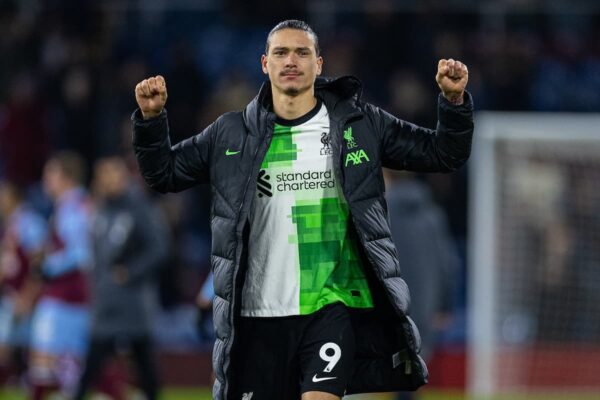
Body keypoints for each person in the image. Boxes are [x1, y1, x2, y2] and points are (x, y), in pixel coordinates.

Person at [132, 19, 473, 400]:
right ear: (265, 64)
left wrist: (453, 102)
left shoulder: (360, 125)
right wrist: (151, 121)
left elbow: (443, 153)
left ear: (319, 64)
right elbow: (163, 174)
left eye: (301, 52)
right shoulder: (230, 134)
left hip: (331, 305)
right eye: (280, 52)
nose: (290, 60)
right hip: (257, 315)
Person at [72, 156, 168, 400]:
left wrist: (131, 272)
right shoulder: (100, 209)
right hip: (106, 300)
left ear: (124, 176)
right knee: (92, 362)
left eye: (112, 174)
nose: (108, 180)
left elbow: (159, 248)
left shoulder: (140, 207)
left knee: (144, 362)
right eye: (103, 175)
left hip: (134, 300)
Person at [383, 172, 460, 400]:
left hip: (389, 308)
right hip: (425, 307)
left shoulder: (379, 214)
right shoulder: (432, 215)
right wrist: (445, 306)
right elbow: (448, 264)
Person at [29, 152, 92, 400]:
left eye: (50, 173)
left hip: (64, 294)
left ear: (65, 177)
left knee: (42, 357)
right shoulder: (79, 204)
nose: (45, 180)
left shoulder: (71, 207)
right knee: (72, 361)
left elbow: (81, 252)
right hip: (77, 294)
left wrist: (47, 267)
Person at [0, 181, 47, 385]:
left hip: (26, 295)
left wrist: (29, 294)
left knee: (35, 347)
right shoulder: (11, 223)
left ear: (14, 197)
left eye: (3, 196)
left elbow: (38, 261)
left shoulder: (30, 222)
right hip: (11, 294)